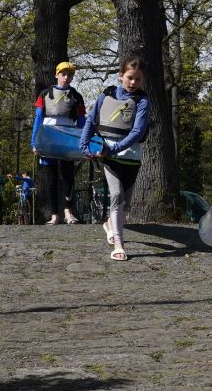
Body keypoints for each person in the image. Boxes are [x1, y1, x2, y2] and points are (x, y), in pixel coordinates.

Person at [79, 56, 151, 261]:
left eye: (138, 79)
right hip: (108, 156)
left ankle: (110, 224)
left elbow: (137, 132)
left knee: (124, 203)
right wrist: (84, 145)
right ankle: (119, 244)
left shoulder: (143, 101)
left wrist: (115, 148)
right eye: (130, 78)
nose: (133, 82)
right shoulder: (106, 94)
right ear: (121, 76)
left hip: (131, 157)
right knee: (117, 196)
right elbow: (91, 120)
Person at [33, 60, 88, 224]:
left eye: (70, 75)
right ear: (56, 75)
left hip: (68, 139)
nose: (66, 77)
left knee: (68, 175)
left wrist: (83, 142)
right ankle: (54, 214)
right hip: (48, 138)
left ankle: (68, 212)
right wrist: (34, 142)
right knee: (50, 177)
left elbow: (82, 121)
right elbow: (38, 118)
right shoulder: (44, 94)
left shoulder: (77, 96)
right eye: (63, 74)